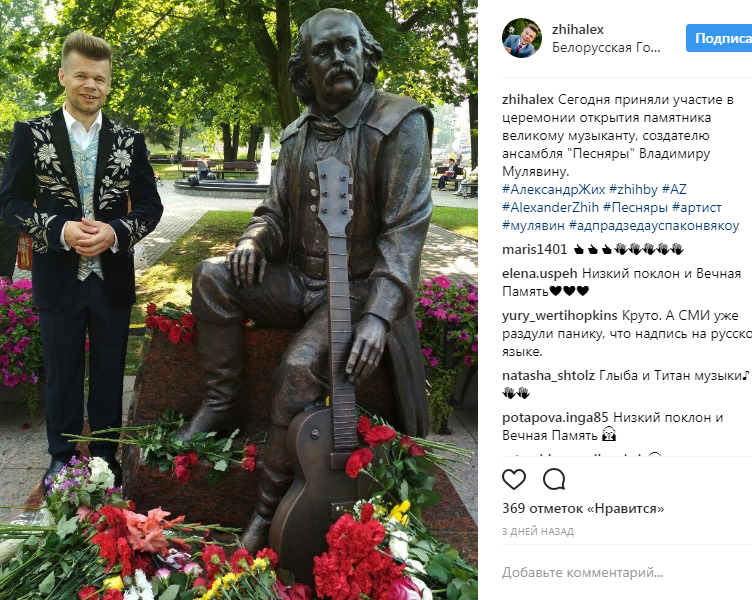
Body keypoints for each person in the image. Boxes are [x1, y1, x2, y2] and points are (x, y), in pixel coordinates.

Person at [177, 7, 432, 552]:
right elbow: (272, 215)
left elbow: (405, 234)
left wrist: (379, 316)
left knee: (297, 367)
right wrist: (253, 241)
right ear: (305, 69)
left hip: (357, 287)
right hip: (300, 280)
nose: (338, 58)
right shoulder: (296, 135)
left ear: (366, 54)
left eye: (347, 46)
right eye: (323, 51)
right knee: (211, 277)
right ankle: (223, 401)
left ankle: (267, 511)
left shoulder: (399, 123)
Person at [0, 31, 163, 488]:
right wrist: (58, 229)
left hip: (112, 277)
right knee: (62, 373)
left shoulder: (129, 139)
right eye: (82, 76)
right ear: (63, 76)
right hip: (57, 276)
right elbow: (9, 202)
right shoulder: (31, 134)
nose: (91, 85)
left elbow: (150, 207)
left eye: (100, 78)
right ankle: (63, 456)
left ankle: (106, 457)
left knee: (110, 372)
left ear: (109, 84)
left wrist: (116, 232)